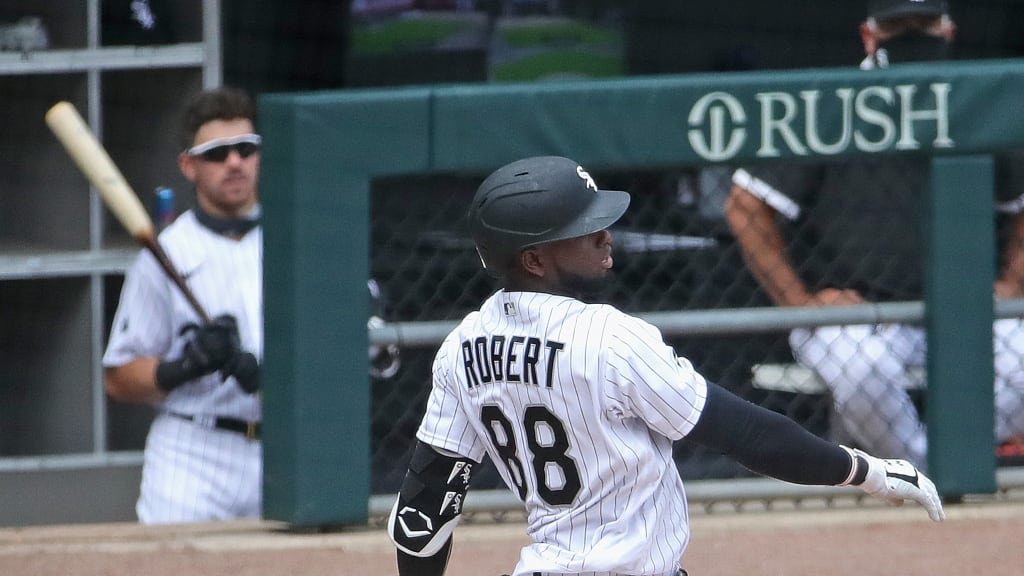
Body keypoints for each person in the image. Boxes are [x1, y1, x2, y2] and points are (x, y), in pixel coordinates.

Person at [387, 155, 944, 576]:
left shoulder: (463, 347)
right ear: (534, 259)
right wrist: (865, 471)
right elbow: (748, 435)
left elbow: (422, 512)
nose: (605, 234)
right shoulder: (612, 338)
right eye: (582, 229)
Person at [725, 0, 1024, 470]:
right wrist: (799, 303)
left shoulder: (977, 98)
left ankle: (945, 465)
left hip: (965, 307)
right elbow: (744, 206)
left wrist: (1012, 282)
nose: (912, 40)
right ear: (868, 36)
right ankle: (925, 475)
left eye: (921, 26)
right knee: (863, 367)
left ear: (947, 32)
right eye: (898, 27)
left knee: (1020, 354)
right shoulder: (831, 101)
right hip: (860, 309)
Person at [103, 86, 264, 524]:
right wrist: (186, 365)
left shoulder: (294, 240)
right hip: (193, 451)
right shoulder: (164, 255)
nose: (234, 162)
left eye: (246, 149)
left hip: (286, 452)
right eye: (217, 153)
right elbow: (118, 377)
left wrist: (277, 374)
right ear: (188, 166)